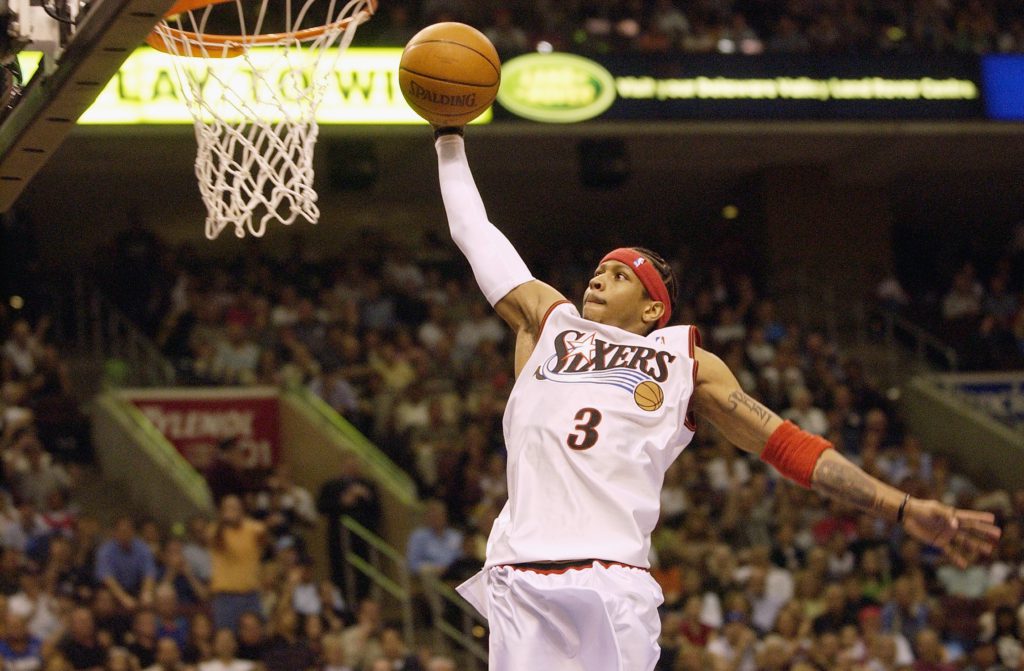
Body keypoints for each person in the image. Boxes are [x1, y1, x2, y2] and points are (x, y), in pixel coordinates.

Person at [429, 126, 1002, 671]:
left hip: (613, 575)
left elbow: (789, 446)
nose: (598, 279)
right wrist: (449, 135)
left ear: (654, 310)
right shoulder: (548, 324)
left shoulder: (686, 361)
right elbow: (475, 231)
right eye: (598, 271)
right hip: (522, 573)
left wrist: (901, 507)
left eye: (619, 275)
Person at [207, 496, 268, 633]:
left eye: (234, 508)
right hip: (225, 596)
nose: (231, 511)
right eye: (227, 508)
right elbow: (216, 542)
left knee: (256, 635)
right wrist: (224, 523)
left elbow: (265, 540)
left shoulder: (253, 527)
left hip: (250, 594)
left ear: (242, 510)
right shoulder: (215, 530)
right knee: (225, 635)